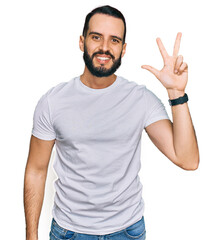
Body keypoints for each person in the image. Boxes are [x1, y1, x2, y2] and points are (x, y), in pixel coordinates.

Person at [23, 5, 199, 240]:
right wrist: (31, 236)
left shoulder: (140, 99)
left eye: (114, 40)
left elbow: (188, 160)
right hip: (69, 231)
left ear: (123, 49)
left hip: (127, 231)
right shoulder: (53, 102)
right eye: (96, 37)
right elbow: (36, 170)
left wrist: (176, 92)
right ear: (82, 41)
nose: (105, 47)